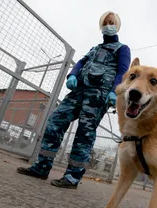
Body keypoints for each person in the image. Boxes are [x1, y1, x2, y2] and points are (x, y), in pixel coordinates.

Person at [17, 11, 131, 189]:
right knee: (55, 121)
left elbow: (123, 71)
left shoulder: (122, 49)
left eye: (112, 22)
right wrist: (72, 75)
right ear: (102, 25)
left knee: (84, 134)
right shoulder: (94, 49)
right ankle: (41, 167)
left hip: (97, 95)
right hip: (78, 91)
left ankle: (72, 178)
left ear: (117, 26)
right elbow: (80, 62)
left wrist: (114, 92)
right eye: (106, 22)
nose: (109, 25)